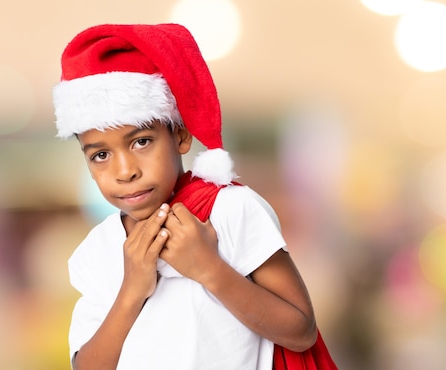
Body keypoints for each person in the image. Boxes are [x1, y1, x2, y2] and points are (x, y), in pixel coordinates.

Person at [52, 23, 328, 370]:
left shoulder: (228, 210)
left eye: (141, 142)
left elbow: (301, 330)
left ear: (180, 136)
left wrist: (209, 269)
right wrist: (131, 292)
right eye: (100, 155)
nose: (125, 171)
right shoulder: (99, 249)